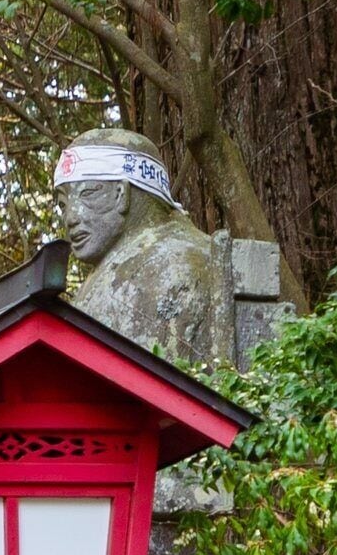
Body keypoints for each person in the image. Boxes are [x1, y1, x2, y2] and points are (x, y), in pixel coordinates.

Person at [53, 128, 234, 374]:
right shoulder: (124, 267)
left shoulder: (165, 266)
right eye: (63, 205)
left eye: (88, 194)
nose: (71, 217)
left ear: (122, 194)